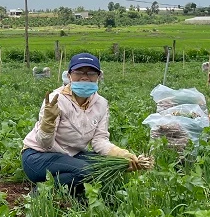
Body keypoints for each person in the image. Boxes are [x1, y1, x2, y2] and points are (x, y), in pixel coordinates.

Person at [21, 53, 150, 197]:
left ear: (99, 76)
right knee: (87, 171)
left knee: (107, 166)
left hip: (71, 156)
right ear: (69, 75)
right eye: (78, 72)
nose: (84, 77)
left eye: (91, 73)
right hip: (38, 157)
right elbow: (44, 144)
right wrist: (47, 123)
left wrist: (121, 155)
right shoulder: (55, 100)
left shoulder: (101, 104)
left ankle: (70, 188)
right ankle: (39, 194)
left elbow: (99, 140)